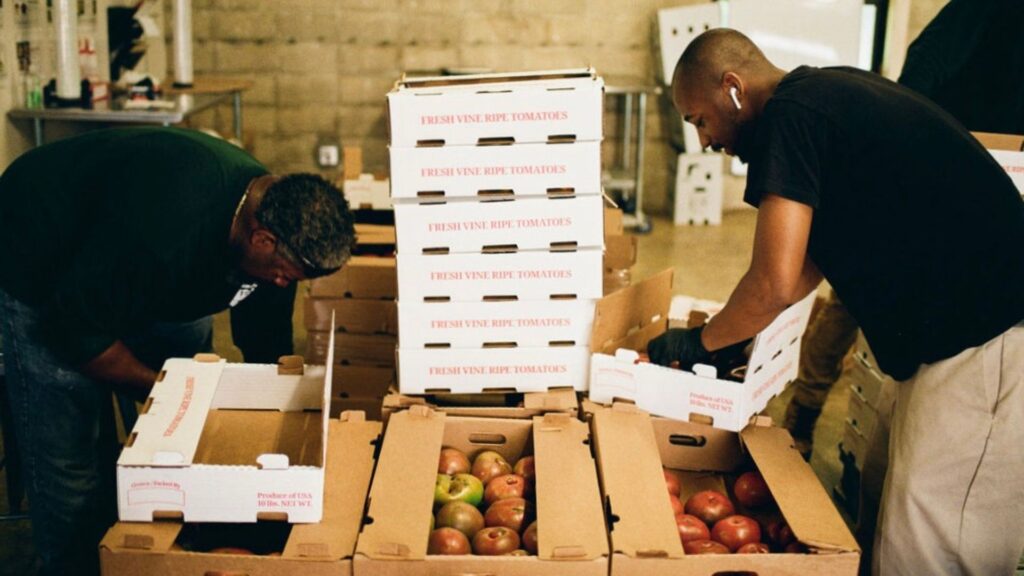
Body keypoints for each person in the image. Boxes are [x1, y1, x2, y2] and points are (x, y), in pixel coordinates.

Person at [649, 28, 1024, 575]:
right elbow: (806, 263)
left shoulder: (790, 118)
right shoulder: (822, 97)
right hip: (953, 337)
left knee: (934, 543)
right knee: (886, 502)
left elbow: (774, 282)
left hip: (990, 340)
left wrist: (701, 342)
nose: (704, 141)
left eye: (700, 120)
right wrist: (735, 333)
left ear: (733, 88)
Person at [0, 126, 356, 576]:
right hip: (39, 254)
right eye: (285, 275)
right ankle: (74, 564)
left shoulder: (276, 226)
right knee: (69, 447)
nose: (285, 284)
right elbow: (73, 330)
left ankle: (168, 524)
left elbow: (266, 341)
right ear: (261, 239)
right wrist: (166, 389)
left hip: (137, 265)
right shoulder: (160, 234)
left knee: (190, 394)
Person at [782, 0, 1024, 462]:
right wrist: (910, 145)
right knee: (851, 293)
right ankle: (804, 411)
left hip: (993, 178)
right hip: (931, 163)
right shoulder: (988, 7)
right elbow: (926, 61)